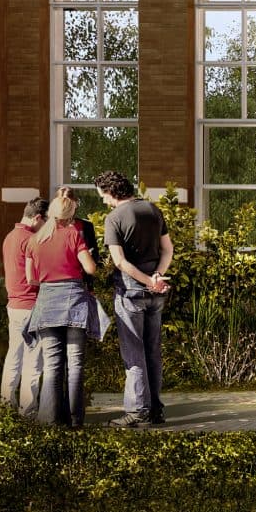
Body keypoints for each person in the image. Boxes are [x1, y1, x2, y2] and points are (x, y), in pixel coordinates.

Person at [95, 170, 172, 428]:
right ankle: (156, 410)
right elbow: (168, 249)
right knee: (153, 350)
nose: (103, 201)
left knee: (134, 353)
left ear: (112, 192)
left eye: (103, 195)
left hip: (130, 292)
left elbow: (119, 262)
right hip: (155, 291)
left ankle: (137, 411)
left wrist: (146, 280)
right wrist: (157, 277)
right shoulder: (153, 210)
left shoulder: (114, 217)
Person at [21, 189, 101, 426]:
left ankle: (50, 420)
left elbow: (30, 278)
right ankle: (76, 420)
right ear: (69, 214)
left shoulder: (33, 241)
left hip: (46, 301)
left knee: (53, 363)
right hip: (74, 300)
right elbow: (90, 269)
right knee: (75, 363)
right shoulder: (74, 234)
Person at [0, 196, 47, 415]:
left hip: (14, 305)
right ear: (38, 218)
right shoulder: (32, 240)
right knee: (33, 361)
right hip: (31, 304)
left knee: (14, 357)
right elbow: (39, 274)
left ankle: (6, 407)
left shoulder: (10, 237)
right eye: (47, 222)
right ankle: (27, 412)